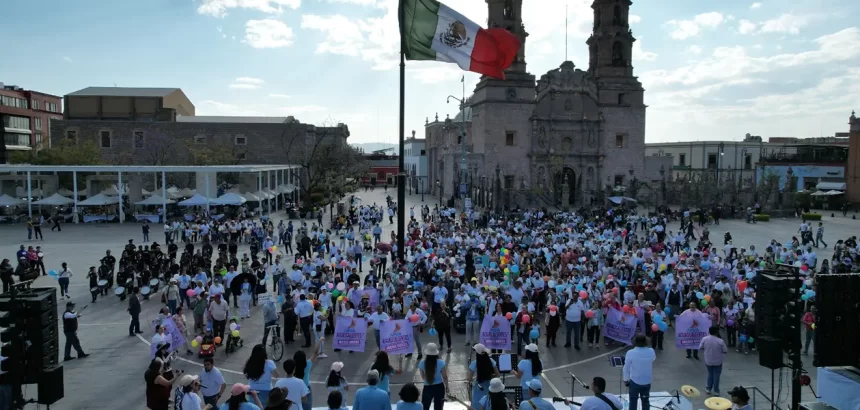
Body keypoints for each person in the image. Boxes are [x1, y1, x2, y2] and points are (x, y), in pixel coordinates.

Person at [623, 335, 655, 410]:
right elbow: (653, 358)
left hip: (634, 381)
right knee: (645, 401)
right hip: (647, 381)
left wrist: (625, 379)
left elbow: (626, 368)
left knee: (633, 401)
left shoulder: (630, 352)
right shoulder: (651, 351)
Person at [417, 343, 448, 410]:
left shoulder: (422, 363)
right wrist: (447, 387)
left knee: (425, 407)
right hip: (439, 387)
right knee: (438, 408)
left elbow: (423, 378)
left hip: (427, 387)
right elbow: (445, 377)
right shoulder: (441, 362)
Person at [468, 343, 498, 410]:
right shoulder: (491, 361)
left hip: (478, 388)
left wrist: (474, 378)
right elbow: (497, 374)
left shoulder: (474, 363)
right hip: (489, 387)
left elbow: (469, 378)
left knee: (477, 405)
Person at [699, 326, 728, 395]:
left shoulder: (704, 339)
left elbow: (700, 347)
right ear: (717, 332)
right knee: (716, 375)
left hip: (708, 360)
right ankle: (716, 390)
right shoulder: (720, 341)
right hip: (718, 361)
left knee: (710, 374)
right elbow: (725, 350)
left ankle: (708, 388)